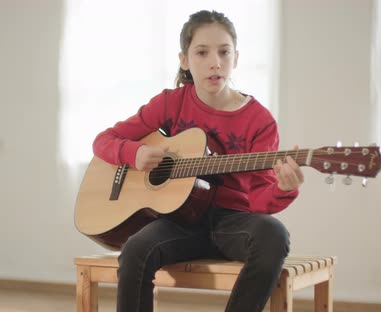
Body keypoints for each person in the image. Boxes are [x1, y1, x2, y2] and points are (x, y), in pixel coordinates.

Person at [92, 10, 304, 312]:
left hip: (232, 223)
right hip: (178, 221)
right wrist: (134, 153)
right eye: (202, 52)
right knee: (137, 248)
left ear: (236, 58)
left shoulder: (259, 120)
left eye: (224, 52)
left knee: (273, 233)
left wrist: (285, 188)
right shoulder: (170, 102)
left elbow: (259, 201)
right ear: (184, 60)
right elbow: (104, 140)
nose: (215, 62)